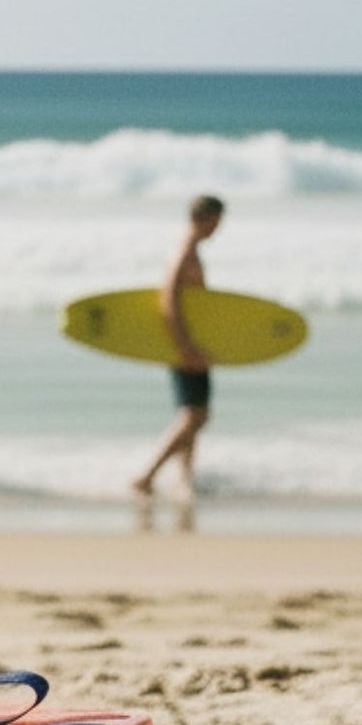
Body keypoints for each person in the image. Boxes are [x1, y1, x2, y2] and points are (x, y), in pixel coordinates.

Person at [133, 194, 225, 497]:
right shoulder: (183, 253)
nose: (218, 228)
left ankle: (184, 478)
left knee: (194, 412)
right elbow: (168, 300)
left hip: (190, 344)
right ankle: (147, 475)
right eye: (216, 221)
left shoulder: (190, 251)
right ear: (203, 218)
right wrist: (184, 346)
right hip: (185, 345)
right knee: (194, 416)